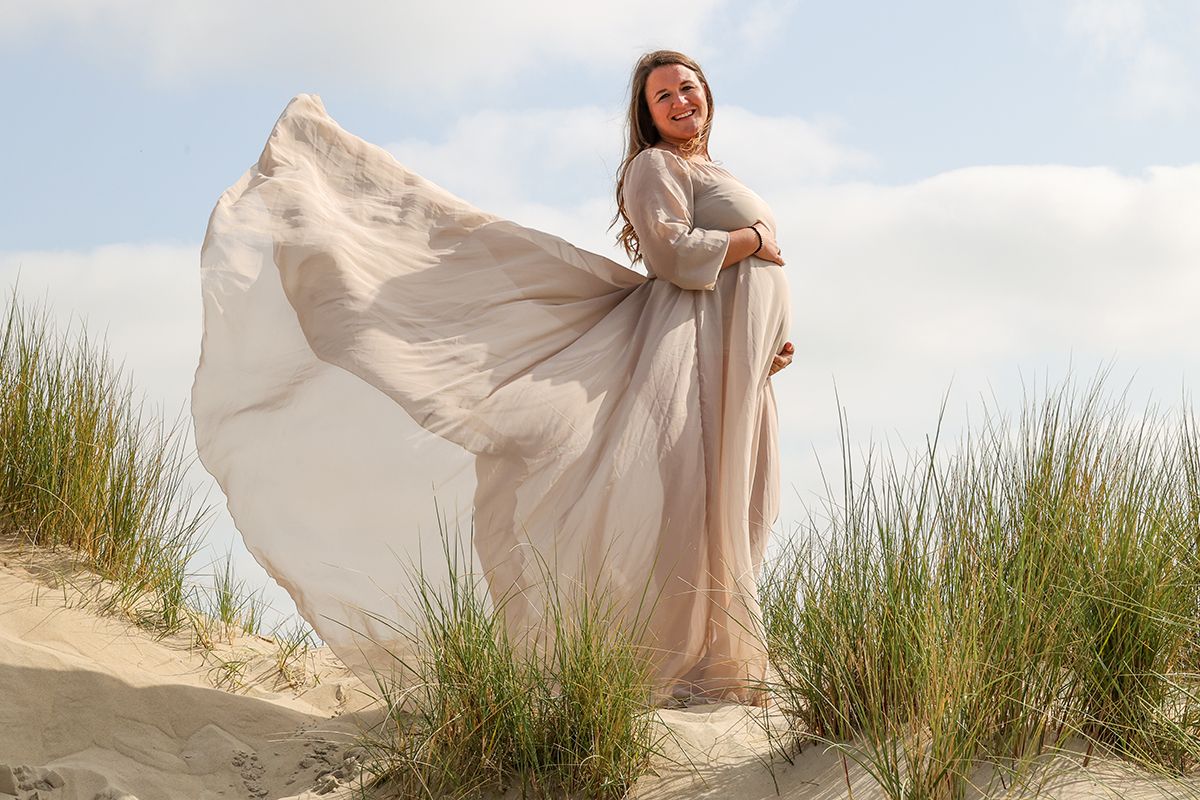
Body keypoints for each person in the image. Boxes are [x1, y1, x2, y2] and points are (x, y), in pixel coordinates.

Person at [191, 49, 792, 706]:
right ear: (646, 118)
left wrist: (761, 340)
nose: (680, 101)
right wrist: (754, 240)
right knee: (674, 502)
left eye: (687, 87)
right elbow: (672, 253)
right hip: (681, 357)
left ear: (708, 92)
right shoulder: (656, 167)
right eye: (662, 97)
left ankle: (714, 658)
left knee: (737, 506)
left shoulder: (712, 169)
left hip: (728, 365)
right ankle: (656, 667)